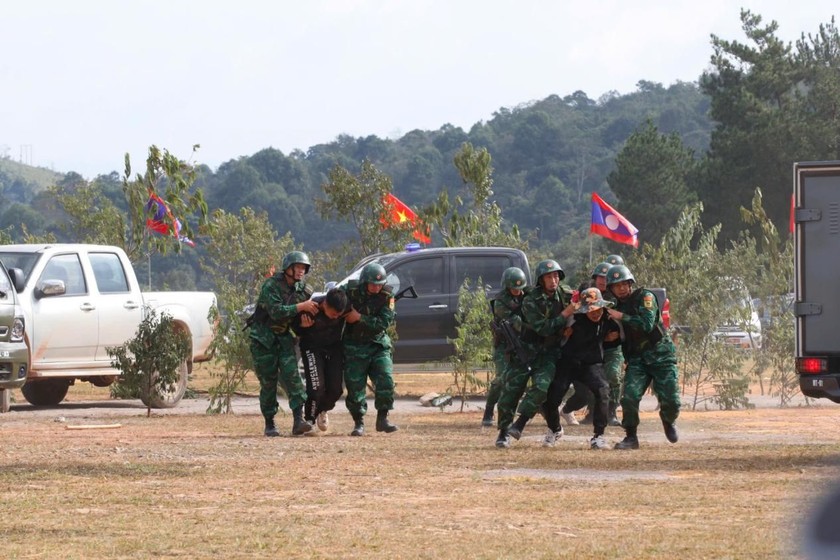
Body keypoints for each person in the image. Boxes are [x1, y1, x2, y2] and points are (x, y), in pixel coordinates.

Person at [495, 259, 575, 448]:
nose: (553, 280)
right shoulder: (531, 300)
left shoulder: (566, 296)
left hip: (549, 353)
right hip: (526, 349)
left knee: (541, 388)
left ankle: (520, 424)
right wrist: (565, 314)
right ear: (541, 280)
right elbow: (544, 329)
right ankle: (503, 432)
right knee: (510, 392)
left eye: (556, 276)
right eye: (548, 277)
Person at [605, 264, 680, 449]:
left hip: (660, 355)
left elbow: (647, 324)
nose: (621, 288)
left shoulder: (645, 297)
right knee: (629, 397)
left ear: (630, 284)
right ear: (611, 289)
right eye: (616, 285)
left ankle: (668, 420)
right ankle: (631, 437)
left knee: (671, 400)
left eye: (624, 284)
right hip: (637, 359)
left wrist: (622, 316)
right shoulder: (614, 307)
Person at [248, 251, 319, 437]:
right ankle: (270, 423)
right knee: (269, 381)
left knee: (293, 378)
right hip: (263, 339)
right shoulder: (271, 285)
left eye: (304, 268)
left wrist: (304, 323)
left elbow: (298, 320)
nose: (301, 271)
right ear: (288, 268)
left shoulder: (304, 291)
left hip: (284, 338)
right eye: (298, 267)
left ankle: (298, 421)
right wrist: (300, 307)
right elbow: (276, 312)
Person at [542, 287, 620, 449]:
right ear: (584, 310)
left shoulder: (608, 318)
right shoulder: (573, 319)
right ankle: (555, 429)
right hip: (568, 362)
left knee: (603, 390)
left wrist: (613, 339)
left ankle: (598, 436)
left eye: (598, 309)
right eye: (591, 310)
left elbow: (618, 337)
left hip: (591, 364)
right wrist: (563, 335)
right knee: (552, 396)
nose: (595, 313)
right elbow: (552, 335)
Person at [559, 261, 624, 426]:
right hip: (588, 348)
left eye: (606, 277)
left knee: (612, 377)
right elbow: (574, 317)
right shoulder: (585, 292)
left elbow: (621, 324)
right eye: (599, 277)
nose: (602, 280)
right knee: (586, 388)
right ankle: (587, 414)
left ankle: (610, 412)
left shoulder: (616, 296)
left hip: (610, 347)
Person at [341, 263, 399, 436]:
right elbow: (334, 300)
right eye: (372, 284)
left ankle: (383, 419)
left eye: (379, 284)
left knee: (386, 381)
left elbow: (382, 324)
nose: (376, 287)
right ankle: (358, 422)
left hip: (377, 345)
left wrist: (358, 317)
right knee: (355, 387)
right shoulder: (350, 291)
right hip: (354, 346)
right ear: (364, 282)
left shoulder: (388, 296)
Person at [295, 287, 350, 433]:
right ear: (325, 304)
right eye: (333, 314)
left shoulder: (345, 306)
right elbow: (294, 328)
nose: (336, 317)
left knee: (336, 390)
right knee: (316, 388)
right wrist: (302, 326)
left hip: (334, 348)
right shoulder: (310, 308)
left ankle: (322, 410)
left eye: (339, 315)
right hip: (312, 348)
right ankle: (309, 420)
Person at [482, 267, 529, 427]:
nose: (517, 291)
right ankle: (489, 409)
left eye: (519, 288)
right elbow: (515, 323)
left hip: (523, 343)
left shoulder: (527, 296)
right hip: (504, 345)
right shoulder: (500, 301)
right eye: (513, 288)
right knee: (502, 378)